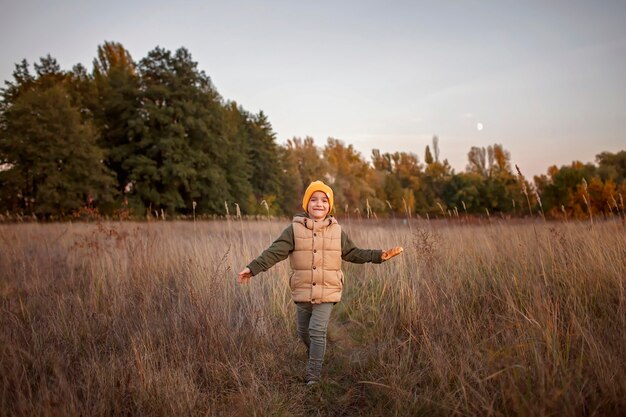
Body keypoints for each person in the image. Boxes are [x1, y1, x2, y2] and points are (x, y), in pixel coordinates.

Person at [238, 180, 403, 385]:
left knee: (317, 330)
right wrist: (252, 268)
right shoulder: (293, 230)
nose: (319, 204)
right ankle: (315, 354)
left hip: (328, 289)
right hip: (303, 289)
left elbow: (353, 252)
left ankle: (313, 376)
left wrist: (378, 255)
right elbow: (274, 252)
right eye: (314, 199)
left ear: (329, 205)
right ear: (306, 204)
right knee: (303, 332)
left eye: (324, 200)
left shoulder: (336, 231)